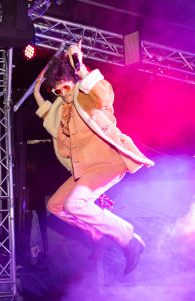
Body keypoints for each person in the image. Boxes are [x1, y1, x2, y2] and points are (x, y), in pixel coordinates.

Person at [32, 43, 154, 275]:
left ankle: (129, 239)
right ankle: (97, 233)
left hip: (108, 162)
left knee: (74, 204)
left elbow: (105, 95)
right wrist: (39, 94)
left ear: (74, 82)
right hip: (86, 170)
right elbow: (51, 118)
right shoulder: (63, 105)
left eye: (66, 88)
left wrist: (81, 67)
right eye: (57, 92)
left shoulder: (84, 96)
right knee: (55, 206)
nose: (63, 94)